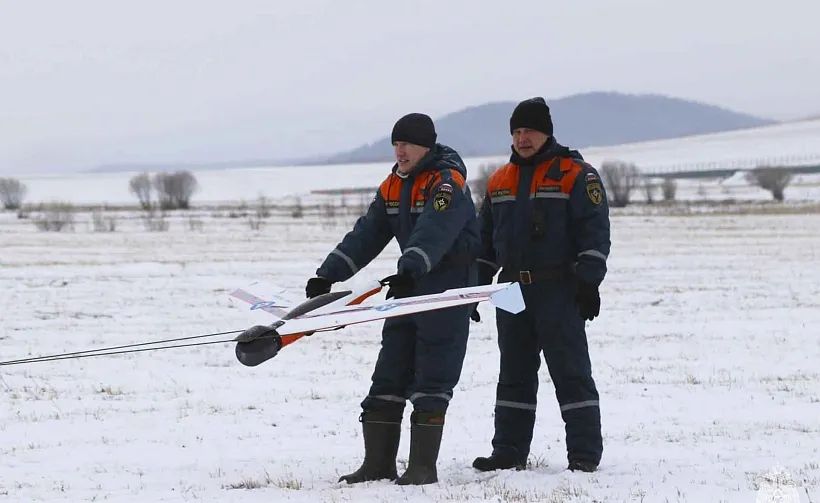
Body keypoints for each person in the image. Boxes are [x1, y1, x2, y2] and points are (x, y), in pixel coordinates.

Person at [304, 113, 481, 485]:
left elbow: (435, 231)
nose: (399, 151)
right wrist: (328, 274)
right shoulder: (393, 185)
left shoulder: (448, 183)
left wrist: (410, 268)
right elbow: (368, 232)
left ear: (426, 146)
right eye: (395, 144)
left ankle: (421, 468)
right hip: (407, 288)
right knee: (389, 373)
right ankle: (378, 464)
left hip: (444, 292)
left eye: (407, 144)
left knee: (433, 378)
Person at [471, 97, 611, 473]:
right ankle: (508, 452)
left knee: (570, 371)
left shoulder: (576, 174)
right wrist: (476, 289)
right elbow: (485, 242)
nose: (522, 138)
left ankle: (583, 455)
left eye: (529, 130)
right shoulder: (499, 180)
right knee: (513, 373)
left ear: (546, 132)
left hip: (558, 289)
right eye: (516, 132)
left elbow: (594, 234)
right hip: (510, 291)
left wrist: (589, 283)